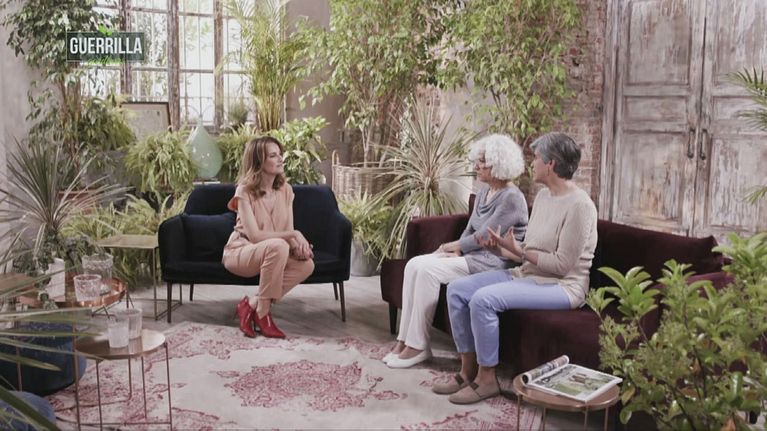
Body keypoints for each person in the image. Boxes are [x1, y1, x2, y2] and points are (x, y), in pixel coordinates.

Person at [434, 132, 598, 404]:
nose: (532, 163)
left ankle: (487, 380)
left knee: (483, 300)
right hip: (528, 274)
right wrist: (498, 248)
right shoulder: (543, 197)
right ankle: (467, 371)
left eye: (537, 158)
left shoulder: (580, 206)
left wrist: (520, 251)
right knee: (457, 290)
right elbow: (527, 254)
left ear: (551, 164)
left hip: (563, 287)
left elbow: (561, 266)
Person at [384, 134, 529, 369]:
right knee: (413, 265)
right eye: (477, 160)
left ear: (499, 164)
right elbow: (470, 229)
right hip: (473, 256)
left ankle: (419, 346)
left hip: (494, 261)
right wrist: (459, 251)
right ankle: (404, 340)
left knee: (428, 271)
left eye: (483, 161)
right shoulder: (483, 192)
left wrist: (452, 247)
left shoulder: (512, 198)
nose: (476, 166)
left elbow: (485, 236)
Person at [222, 136, 315, 339]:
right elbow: (255, 236)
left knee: (306, 265)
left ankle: (252, 304)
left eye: (280, 154)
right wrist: (294, 234)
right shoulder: (244, 191)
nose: (281, 159)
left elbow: (287, 230)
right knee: (279, 246)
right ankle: (263, 315)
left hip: (274, 252)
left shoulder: (286, 190)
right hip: (240, 251)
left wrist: (299, 248)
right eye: (273, 155)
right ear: (259, 162)